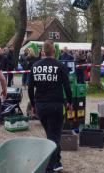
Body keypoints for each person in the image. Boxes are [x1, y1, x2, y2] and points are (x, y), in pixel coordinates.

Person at [28, 40, 73, 173]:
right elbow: (67, 87)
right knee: (54, 136)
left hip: (41, 105)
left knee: (51, 134)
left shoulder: (35, 66)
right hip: (56, 105)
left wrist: (33, 104)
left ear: (42, 51)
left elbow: (30, 88)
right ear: (54, 51)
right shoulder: (60, 66)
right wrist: (70, 102)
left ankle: (57, 161)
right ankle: (50, 167)